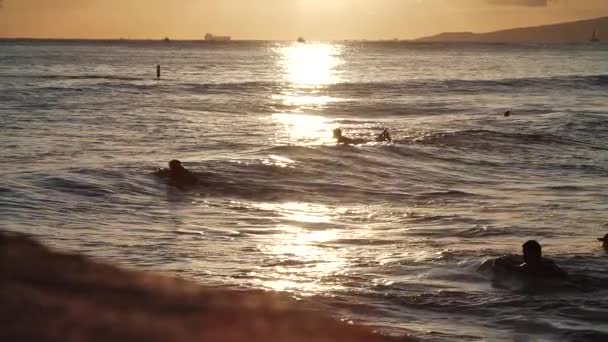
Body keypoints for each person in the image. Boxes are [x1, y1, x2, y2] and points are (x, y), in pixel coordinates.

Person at [492, 240, 567, 279]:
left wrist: (501, 262)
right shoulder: (549, 263)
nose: (524, 256)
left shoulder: (527, 267)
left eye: (525, 253)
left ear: (534, 254)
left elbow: (511, 268)